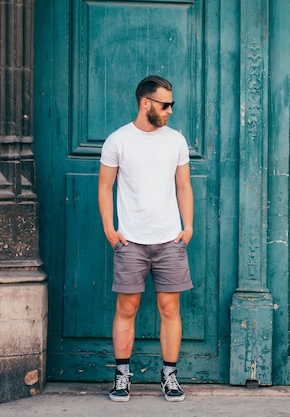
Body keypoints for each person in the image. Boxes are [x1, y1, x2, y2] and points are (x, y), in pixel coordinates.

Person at [98, 75, 194, 403]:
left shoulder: (175, 141)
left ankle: (169, 375)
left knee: (170, 307)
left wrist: (188, 226)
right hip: (130, 242)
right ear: (146, 103)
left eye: (171, 105)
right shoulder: (118, 141)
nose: (169, 110)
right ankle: (122, 375)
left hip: (169, 239)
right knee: (127, 306)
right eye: (165, 104)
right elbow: (104, 187)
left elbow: (183, 185)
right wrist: (110, 229)